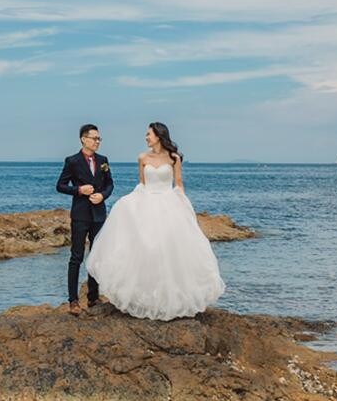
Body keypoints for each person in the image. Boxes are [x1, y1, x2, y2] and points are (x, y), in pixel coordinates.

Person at [86, 122, 224, 321]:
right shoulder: (142, 158)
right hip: (147, 202)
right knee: (146, 250)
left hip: (169, 205)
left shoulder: (174, 158)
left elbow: (178, 185)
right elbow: (142, 184)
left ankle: (171, 299)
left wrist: (184, 207)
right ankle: (146, 299)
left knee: (169, 252)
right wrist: (128, 203)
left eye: (148, 134)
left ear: (159, 136)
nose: (146, 137)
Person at [56, 123, 114, 315]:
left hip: (99, 214)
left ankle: (93, 297)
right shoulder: (72, 161)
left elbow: (110, 185)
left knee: (97, 256)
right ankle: (73, 301)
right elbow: (60, 185)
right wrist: (79, 190)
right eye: (94, 138)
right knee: (76, 257)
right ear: (83, 139)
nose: (97, 142)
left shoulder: (103, 160)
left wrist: (103, 196)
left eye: (99, 139)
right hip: (80, 214)